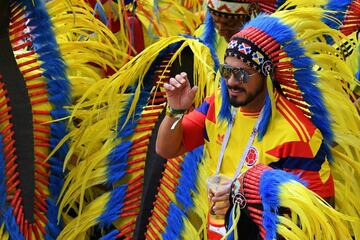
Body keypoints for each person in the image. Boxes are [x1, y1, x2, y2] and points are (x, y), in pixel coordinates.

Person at [157, 8, 360, 240]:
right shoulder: (219, 104)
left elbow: (316, 219)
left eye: (243, 74)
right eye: (227, 71)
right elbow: (167, 148)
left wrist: (245, 188)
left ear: (266, 75)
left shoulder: (297, 135)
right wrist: (175, 111)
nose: (232, 81)